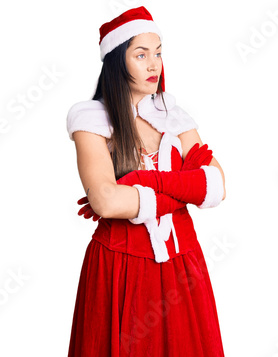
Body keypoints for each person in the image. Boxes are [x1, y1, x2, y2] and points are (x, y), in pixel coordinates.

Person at [66, 6, 227, 356]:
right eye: (141, 55)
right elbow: (107, 202)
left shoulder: (173, 113)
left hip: (183, 266)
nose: (154, 65)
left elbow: (215, 186)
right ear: (116, 60)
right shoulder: (91, 118)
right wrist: (184, 188)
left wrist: (138, 182)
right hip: (119, 267)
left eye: (158, 53)